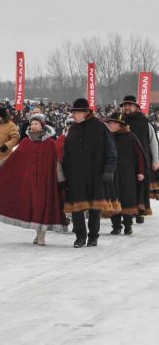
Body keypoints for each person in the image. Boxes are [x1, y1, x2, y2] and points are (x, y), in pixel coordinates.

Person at [0, 115, 67, 245]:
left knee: (42, 206)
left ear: (42, 126)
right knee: (33, 206)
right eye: (32, 124)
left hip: (45, 182)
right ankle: (37, 232)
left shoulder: (50, 143)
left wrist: (61, 181)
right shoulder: (26, 142)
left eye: (36, 124)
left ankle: (41, 235)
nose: (33, 126)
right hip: (30, 182)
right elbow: (13, 158)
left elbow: (56, 163)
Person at [62, 98, 117, 248]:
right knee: (76, 207)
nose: (73, 115)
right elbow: (66, 153)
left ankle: (93, 236)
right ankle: (80, 237)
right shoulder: (72, 129)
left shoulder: (100, 127)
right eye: (73, 112)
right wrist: (65, 172)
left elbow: (111, 149)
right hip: (76, 175)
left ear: (86, 112)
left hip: (95, 173)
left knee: (94, 207)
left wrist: (109, 168)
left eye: (76, 112)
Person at [105, 113, 147, 236]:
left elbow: (140, 156)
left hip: (128, 174)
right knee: (114, 197)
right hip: (113, 173)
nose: (109, 125)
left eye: (111, 123)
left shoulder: (130, 137)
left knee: (128, 199)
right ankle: (116, 225)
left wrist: (141, 171)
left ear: (119, 124)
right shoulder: (108, 137)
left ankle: (128, 225)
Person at [119, 95, 157, 222]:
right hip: (123, 161)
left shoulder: (144, 122)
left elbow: (153, 142)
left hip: (142, 160)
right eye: (125, 105)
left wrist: (156, 160)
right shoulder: (119, 121)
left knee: (140, 187)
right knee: (125, 187)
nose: (127, 107)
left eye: (130, 105)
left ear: (136, 107)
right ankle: (125, 211)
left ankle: (139, 211)